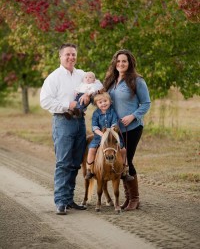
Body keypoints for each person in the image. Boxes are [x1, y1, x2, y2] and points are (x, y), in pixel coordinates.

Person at [40, 43, 102, 215]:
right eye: (67, 54)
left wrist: (89, 97)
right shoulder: (54, 77)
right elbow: (45, 101)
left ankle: (69, 199)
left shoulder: (82, 75)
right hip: (63, 121)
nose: (71, 57)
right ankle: (60, 202)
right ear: (60, 56)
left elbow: (95, 87)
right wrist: (68, 104)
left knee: (75, 162)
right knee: (63, 162)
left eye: (73, 54)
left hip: (79, 122)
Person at [103, 49, 151, 211]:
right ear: (114, 63)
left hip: (132, 127)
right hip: (115, 130)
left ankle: (135, 199)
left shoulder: (137, 81)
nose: (121, 64)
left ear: (129, 63)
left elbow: (146, 103)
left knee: (127, 161)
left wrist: (133, 116)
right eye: (118, 61)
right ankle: (128, 198)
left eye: (124, 61)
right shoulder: (111, 80)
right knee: (120, 162)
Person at [85, 92, 133, 182]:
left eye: (105, 101)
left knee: (123, 150)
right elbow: (95, 127)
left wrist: (111, 130)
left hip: (112, 137)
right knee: (91, 149)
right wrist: (102, 134)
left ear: (110, 101)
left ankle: (125, 171)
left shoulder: (113, 112)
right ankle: (89, 169)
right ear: (96, 104)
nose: (103, 103)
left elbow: (114, 123)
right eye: (100, 102)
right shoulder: (96, 114)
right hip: (99, 137)